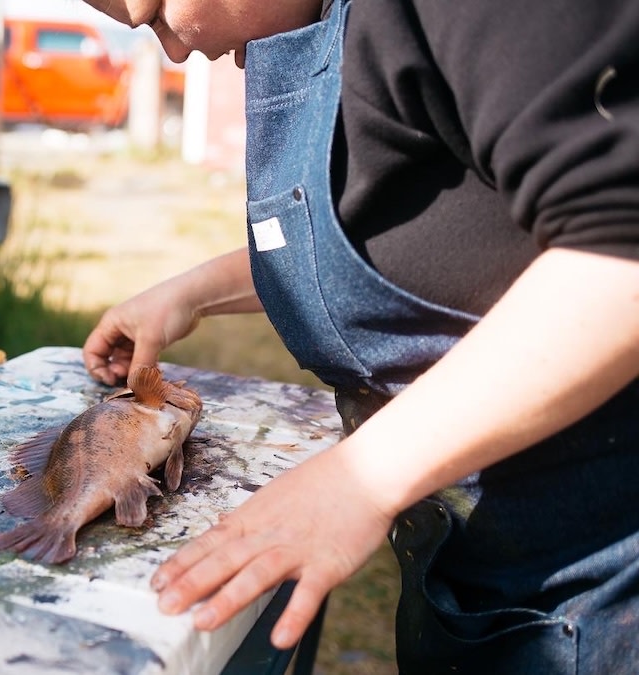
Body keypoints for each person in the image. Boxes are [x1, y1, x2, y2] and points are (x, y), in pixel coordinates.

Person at [79, 0, 639, 672]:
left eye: (158, 12)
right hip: (474, 572)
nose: (173, 51)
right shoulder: (315, 33)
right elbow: (406, 238)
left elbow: (617, 257)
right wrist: (192, 293)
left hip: (601, 577)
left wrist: (366, 475)